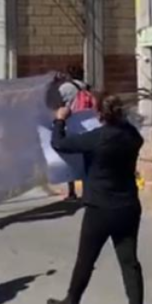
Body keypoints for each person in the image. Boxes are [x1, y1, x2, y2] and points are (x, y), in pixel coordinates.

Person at [46, 94, 146, 304]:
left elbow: (59, 143)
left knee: (86, 260)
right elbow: (133, 132)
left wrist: (60, 120)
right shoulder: (132, 136)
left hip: (100, 209)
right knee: (129, 262)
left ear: (100, 115)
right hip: (128, 207)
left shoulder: (97, 138)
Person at [57, 65, 94, 202]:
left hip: (71, 124)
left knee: (70, 158)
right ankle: (86, 192)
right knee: (85, 158)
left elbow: (57, 102)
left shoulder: (65, 87)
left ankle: (71, 191)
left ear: (69, 75)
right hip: (87, 124)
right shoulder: (86, 86)